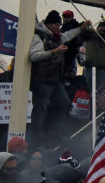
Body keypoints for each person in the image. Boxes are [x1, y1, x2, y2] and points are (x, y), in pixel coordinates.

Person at [28, 11, 88, 148]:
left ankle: (54, 134)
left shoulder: (57, 37)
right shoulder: (39, 37)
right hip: (41, 80)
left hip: (55, 80)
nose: (58, 26)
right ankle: (37, 141)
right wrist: (54, 52)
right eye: (56, 24)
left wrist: (81, 28)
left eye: (59, 24)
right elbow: (33, 56)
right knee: (40, 110)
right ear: (49, 24)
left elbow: (68, 35)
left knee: (64, 103)